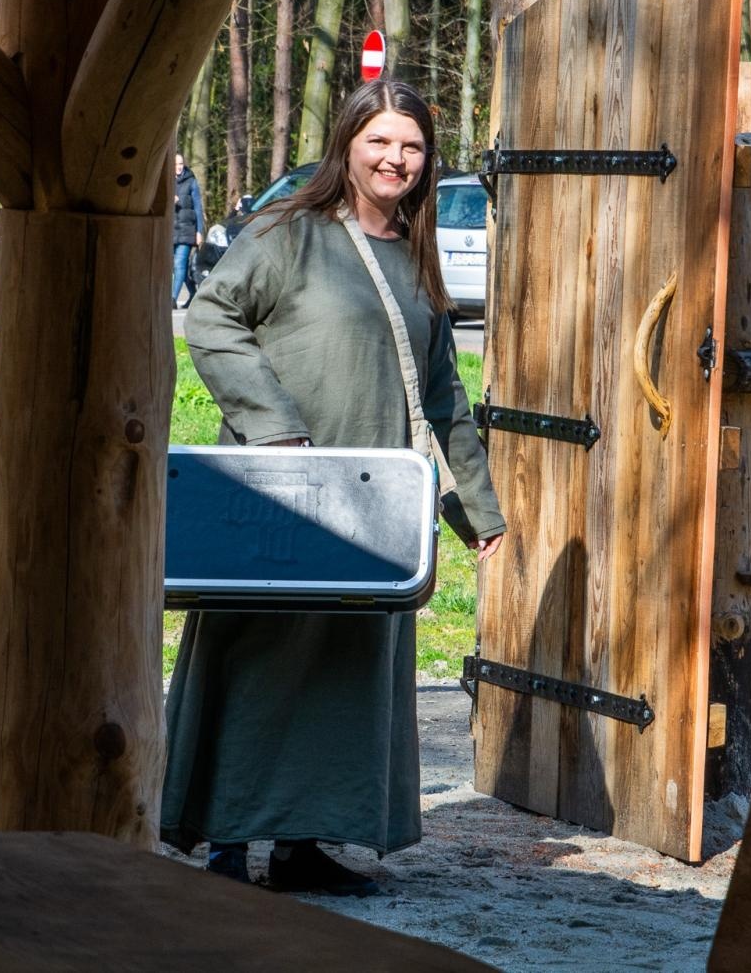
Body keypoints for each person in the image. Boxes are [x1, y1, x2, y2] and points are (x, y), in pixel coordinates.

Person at [162, 80, 506, 897]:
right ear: (348, 142)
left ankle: (302, 844)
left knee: (344, 669)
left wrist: (476, 511)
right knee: (261, 659)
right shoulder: (288, 232)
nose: (396, 159)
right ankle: (228, 843)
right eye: (381, 141)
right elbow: (212, 318)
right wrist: (275, 426)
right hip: (279, 497)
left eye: (413, 147)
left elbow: (442, 393)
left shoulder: (415, 253)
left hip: (371, 510)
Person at [172, 153, 204, 307]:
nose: (178, 167)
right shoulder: (166, 182)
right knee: (178, 269)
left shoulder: (191, 182)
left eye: (180, 164)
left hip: (187, 230)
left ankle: (172, 299)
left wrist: (199, 232)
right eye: (175, 164)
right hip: (170, 231)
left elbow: (198, 208)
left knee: (179, 264)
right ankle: (193, 293)